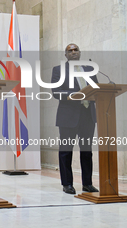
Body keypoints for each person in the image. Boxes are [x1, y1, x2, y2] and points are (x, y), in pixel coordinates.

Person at [51, 43, 99, 194]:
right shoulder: (59, 70)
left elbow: (96, 88)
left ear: (80, 52)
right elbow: (56, 91)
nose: (73, 52)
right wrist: (73, 95)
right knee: (66, 151)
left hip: (87, 115)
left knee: (87, 151)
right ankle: (67, 184)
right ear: (65, 55)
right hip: (68, 116)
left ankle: (87, 183)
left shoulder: (90, 69)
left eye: (75, 50)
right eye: (69, 51)